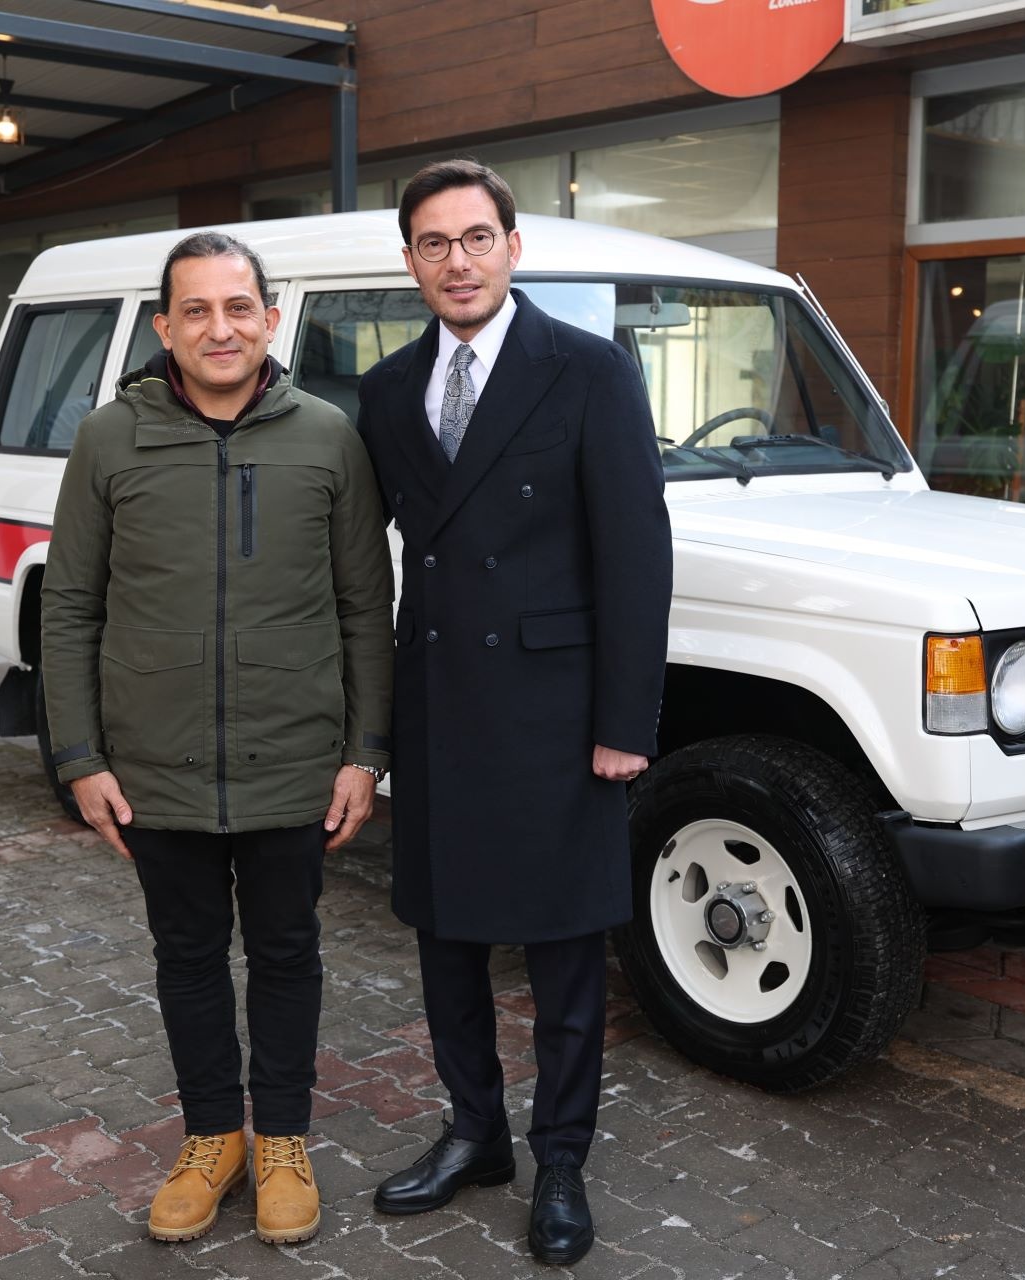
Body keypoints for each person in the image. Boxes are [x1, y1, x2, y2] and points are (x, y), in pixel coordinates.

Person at [39, 231, 393, 1247]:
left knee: (286, 952)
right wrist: (80, 759)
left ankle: (280, 1137)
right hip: (157, 766)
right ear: (165, 327)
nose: (219, 328)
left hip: (294, 761)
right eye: (195, 310)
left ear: (270, 319)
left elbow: (366, 605)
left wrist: (365, 752)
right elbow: (70, 605)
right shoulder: (110, 438)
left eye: (238, 307)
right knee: (188, 956)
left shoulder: (328, 436)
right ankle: (212, 1138)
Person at [354, 159, 673, 1266]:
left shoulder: (588, 370)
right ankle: (476, 1132)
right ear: (410, 262)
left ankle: (563, 1159)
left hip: (557, 715)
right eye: (435, 243)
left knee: (563, 957)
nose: (459, 261)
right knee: (445, 942)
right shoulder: (386, 391)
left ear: (514, 247)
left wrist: (626, 723)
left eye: (477, 237)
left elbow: (636, 556)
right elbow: (368, 558)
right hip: (439, 702)